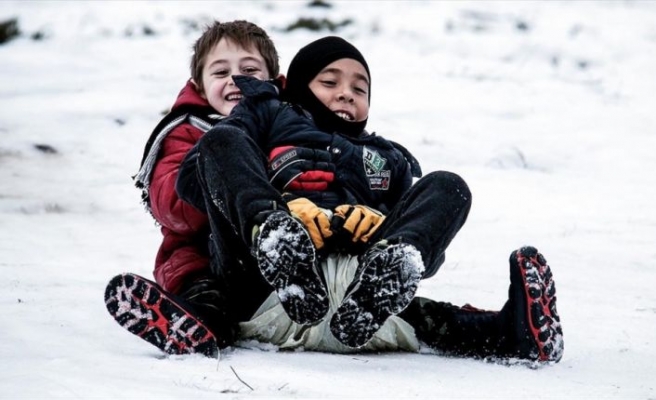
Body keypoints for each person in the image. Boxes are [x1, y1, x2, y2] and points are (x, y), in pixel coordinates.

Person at [175, 36, 564, 362]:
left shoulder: (388, 157)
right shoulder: (266, 117)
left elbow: (431, 247)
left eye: (359, 89)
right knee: (221, 141)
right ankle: (274, 242)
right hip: (262, 291)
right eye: (330, 82)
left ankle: (501, 325)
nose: (346, 93)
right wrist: (280, 207)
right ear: (298, 88)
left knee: (449, 185)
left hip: (361, 307)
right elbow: (196, 180)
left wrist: (379, 220)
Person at [105, 20, 282, 353]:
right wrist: (221, 179)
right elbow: (172, 208)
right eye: (220, 72)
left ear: (273, 81)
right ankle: (199, 323)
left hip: (272, 260)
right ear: (199, 86)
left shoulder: (288, 124)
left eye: (249, 69)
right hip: (207, 257)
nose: (235, 79)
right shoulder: (186, 132)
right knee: (206, 292)